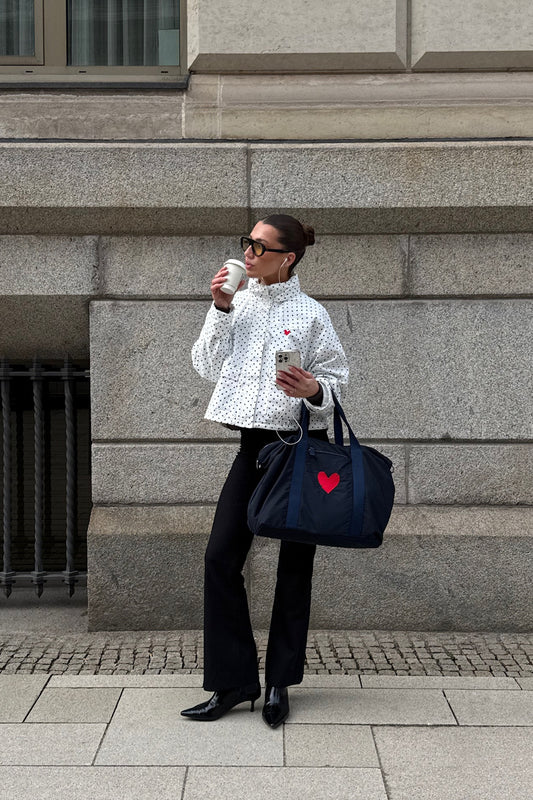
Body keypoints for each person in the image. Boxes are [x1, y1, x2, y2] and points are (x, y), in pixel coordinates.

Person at [181, 214, 349, 728]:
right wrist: (220, 307)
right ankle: (233, 681)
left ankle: (280, 682)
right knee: (220, 558)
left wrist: (314, 390)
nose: (248, 254)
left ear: (287, 258)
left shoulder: (312, 313)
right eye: (247, 244)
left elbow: (337, 380)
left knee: (294, 568)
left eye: (259, 247)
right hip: (252, 448)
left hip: (301, 449)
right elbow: (205, 366)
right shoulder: (237, 303)